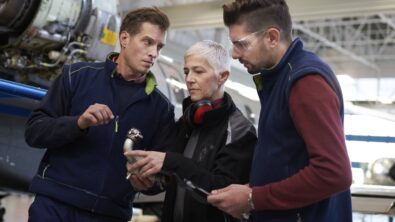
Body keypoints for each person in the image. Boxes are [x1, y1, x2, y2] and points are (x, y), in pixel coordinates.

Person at [24, 7, 176, 222]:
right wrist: (78, 123)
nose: (154, 53)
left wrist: (150, 183)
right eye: (147, 42)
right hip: (55, 207)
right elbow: (34, 132)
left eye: (159, 46)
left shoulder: (161, 109)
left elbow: (162, 175)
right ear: (124, 38)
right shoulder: (76, 76)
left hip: (109, 215)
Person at [207, 0, 353, 222]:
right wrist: (252, 189)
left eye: (241, 44)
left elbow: (334, 173)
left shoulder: (305, 82)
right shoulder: (280, 78)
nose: (234, 54)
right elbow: (289, 161)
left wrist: (253, 197)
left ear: (272, 38)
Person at [124, 40, 257, 222]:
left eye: (199, 71)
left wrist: (173, 162)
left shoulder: (240, 131)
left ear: (223, 76)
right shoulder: (187, 122)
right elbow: (171, 181)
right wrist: (148, 184)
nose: (189, 79)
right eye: (187, 71)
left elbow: (222, 193)